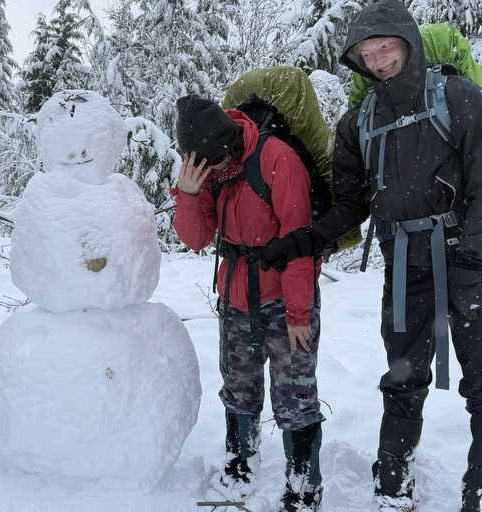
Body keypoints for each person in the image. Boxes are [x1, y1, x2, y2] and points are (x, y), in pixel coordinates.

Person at [254, 1, 482, 511]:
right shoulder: (359, 122)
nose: (377, 60)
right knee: (402, 381)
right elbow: (351, 203)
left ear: (408, 43)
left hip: (466, 263)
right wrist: (309, 238)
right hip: (404, 269)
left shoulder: (460, 99)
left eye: (385, 47)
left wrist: (469, 256)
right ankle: (392, 487)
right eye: (367, 54)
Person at [172, 94, 325, 511]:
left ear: (232, 137)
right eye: (207, 163)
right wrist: (187, 194)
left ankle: (304, 485)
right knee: (238, 387)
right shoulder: (204, 169)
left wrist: (298, 314)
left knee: (295, 393)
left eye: (221, 158)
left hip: (285, 295)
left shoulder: (277, 159)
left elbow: (299, 244)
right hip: (235, 295)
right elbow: (197, 239)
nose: (217, 168)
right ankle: (240, 463)